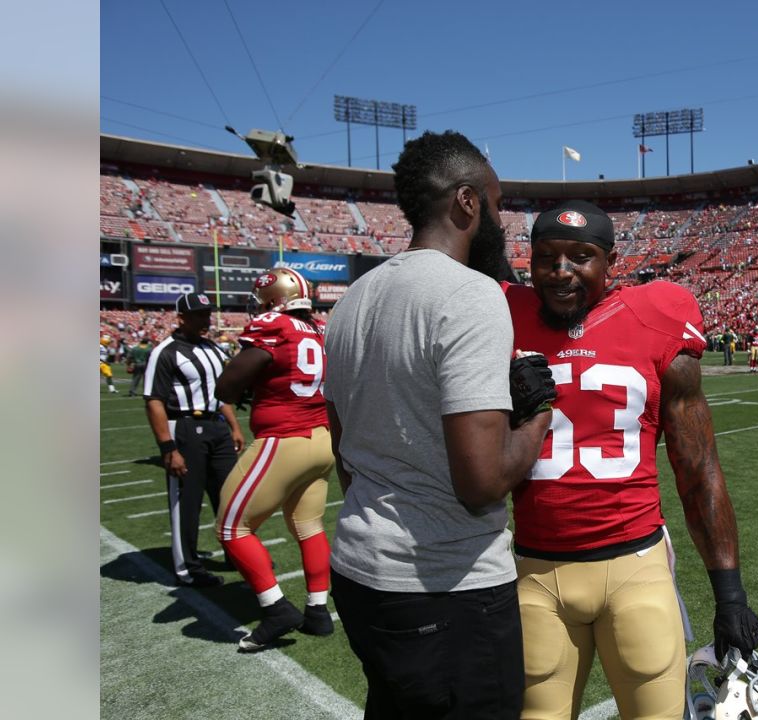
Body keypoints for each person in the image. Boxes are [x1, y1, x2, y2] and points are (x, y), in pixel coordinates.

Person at [323, 130, 555, 718]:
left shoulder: (354, 297)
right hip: (446, 585)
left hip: (360, 571)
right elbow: (480, 482)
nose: (501, 222)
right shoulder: (470, 294)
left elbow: (344, 447)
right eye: (497, 205)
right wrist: (538, 418)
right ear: (467, 202)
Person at [505, 200, 758, 720]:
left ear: (611, 261)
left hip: (634, 568)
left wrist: (729, 592)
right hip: (536, 571)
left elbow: (698, 469)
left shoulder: (655, 317)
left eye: (580, 256)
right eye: (547, 257)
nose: (561, 272)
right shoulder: (499, 315)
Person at [212, 267, 337, 652]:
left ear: (273, 299)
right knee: (308, 523)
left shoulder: (273, 324)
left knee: (232, 527)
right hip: (323, 439)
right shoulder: (317, 329)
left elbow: (227, 386)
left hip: (286, 437)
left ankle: (275, 607)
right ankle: (318, 611)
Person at [143, 292, 245, 587]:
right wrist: (168, 447)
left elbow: (220, 393)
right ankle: (188, 566)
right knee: (187, 500)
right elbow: (154, 401)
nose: (205, 319)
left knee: (229, 495)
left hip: (216, 426)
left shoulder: (212, 348)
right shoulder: (166, 351)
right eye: (198, 314)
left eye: (207, 313)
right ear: (181, 318)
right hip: (185, 427)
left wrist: (234, 427)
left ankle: (235, 553)